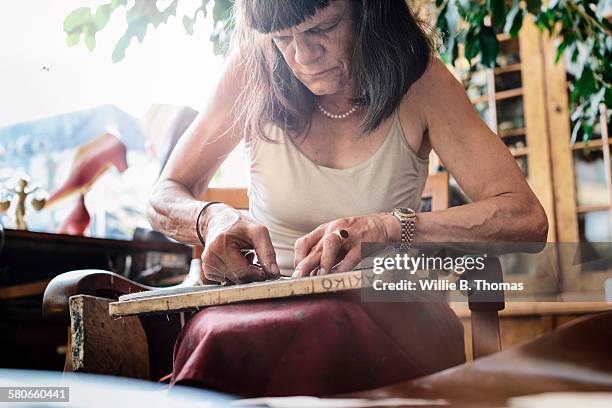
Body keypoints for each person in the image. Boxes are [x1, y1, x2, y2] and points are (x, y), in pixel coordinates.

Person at [147, 0, 548, 396]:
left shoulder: (420, 82)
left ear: (367, 10)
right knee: (217, 337)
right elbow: (164, 195)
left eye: (322, 28)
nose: (302, 55)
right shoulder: (251, 71)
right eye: (282, 38)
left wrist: (390, 227)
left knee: (316, 332)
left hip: (390, 314)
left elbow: (526, 219)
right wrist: (210, 219)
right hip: (258, 308)